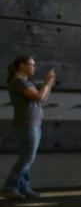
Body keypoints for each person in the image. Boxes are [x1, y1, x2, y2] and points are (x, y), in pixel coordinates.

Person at [4, 54, 54, 199]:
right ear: (22, 65)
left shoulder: (26, 82)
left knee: (28, 157)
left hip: (32, 123)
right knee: (27, 157)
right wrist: (47, 82)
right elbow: (39, 97)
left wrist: (48, 83)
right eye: (32, 64)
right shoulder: (18, 82)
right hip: (26, 123)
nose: (34, 67)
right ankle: (10, 186)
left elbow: (42, 98)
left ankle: (23, 186)